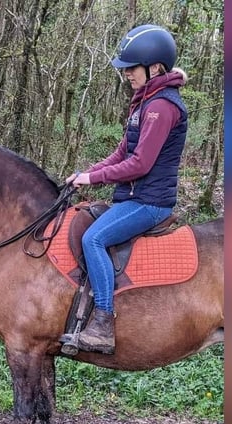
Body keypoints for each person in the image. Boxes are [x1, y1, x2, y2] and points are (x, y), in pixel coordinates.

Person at [64, 24, 189, 354]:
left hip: (149, 202)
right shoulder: (145, 102)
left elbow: (140, 164)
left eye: (131, 69)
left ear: (155, 68)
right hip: (134, 196)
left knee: (94, 238)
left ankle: (103, 321)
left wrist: (93, 180)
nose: (127, 75)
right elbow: (122, 153)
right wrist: (86, 173)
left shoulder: (162, 107)